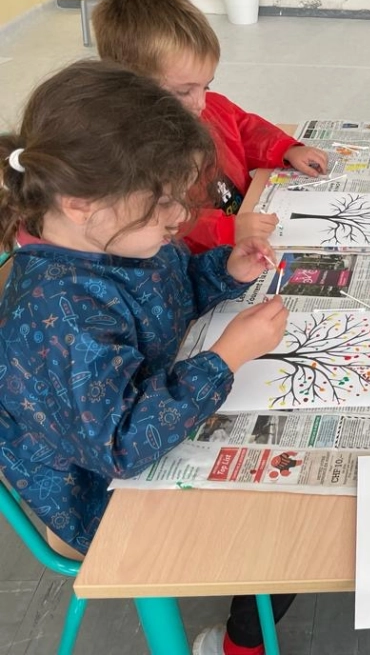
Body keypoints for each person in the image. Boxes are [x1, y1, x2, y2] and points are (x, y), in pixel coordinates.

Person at [0, 61, 292, 655]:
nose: (181, 218)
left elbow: (172, 289)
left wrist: (223, 271)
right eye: (162, 203)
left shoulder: (118, 237)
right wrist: (225, 358)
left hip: (157, 405)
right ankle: (238, 642)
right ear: (83, 203)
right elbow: (121, 445)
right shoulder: (56, 314)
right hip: (102, 491)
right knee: (286, 533)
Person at [92, 0, 330, 253]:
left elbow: (243, 127)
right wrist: (230, 230)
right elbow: (167, 222)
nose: (201, 103)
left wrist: (285, 148)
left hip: (248, 215)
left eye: (206, 85)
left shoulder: (209, 106)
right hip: (208, 257)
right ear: (128, 87)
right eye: (183, 92)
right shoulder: (129, 155)